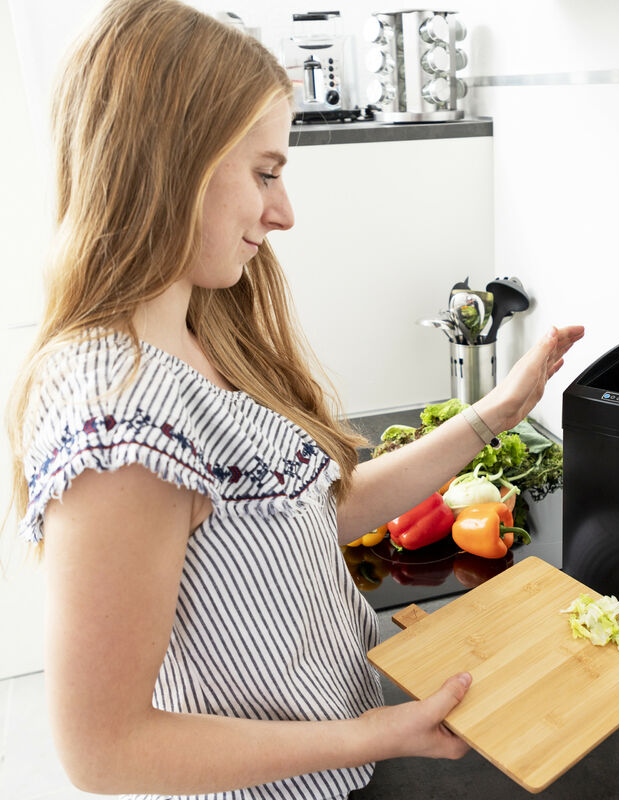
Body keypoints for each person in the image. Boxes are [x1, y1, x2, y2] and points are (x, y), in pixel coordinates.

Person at [6, 1, 584, 798]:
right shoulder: (120, 422)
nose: (283, 213)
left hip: (346, 755)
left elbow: (317, 510)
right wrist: (373, 734)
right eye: (266, 173)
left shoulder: (200, 337)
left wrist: (495, 415)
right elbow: (105, 749)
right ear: (173, 161)